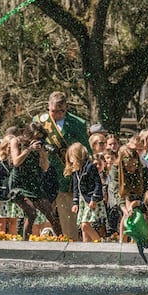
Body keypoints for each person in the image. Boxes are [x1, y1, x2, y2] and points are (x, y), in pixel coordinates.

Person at [34, 91, 90, 241]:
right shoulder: (39, 120)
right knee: (39, 219)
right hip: (44, 176)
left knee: (69, 222)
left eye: (61, 111)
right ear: (48, 107)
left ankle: (71, 250)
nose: (56, 114)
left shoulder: (78, 123)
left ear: (66, 108)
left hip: (66, 179)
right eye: (53, 111)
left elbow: (85, 151)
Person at [9, 122, 63, 240]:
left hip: (34, 182)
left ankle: (63, 241)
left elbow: (44, 168)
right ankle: (25, 242)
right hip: (19, 183)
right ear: (28, 135)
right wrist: (29, 149)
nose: (37, 140)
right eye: (35, 137)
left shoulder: (40, 146)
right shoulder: (16, 142)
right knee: (31, 212)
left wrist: (43, 154)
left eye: (40, 138)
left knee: (50, 213)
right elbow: (16, 162)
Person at [64, 142, 106, 242]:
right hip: (83, 200)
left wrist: (94, 198)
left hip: (91, 199)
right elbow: (75, 187)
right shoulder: (76, 170)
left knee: (85, 225)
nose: (70, 160)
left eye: (72, 156)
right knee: (83, 228)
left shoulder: (90, 167)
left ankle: (99, 243)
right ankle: (86, 245)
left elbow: (98, 184)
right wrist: (75, 202)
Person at [109, 145, 148, 242]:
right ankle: (122, 242)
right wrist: (125, 209)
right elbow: (118, 193)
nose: (131, 169)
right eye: (128, 166)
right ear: (122, 164)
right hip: (122, 194)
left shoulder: (143, 169)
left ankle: (139, 240)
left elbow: (145, 191)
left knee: (141, 216)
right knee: (127, 215)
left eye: (133, 165)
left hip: (139, 195)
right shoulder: (115, 169)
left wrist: (141, 206)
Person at [0, 135, 19, 235]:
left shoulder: (17, 162)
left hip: (14, 196)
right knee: (1, 221)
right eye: (9, 147)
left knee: (13, 221)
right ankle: (0, 243)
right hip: (1, 196)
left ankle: (13, 243)